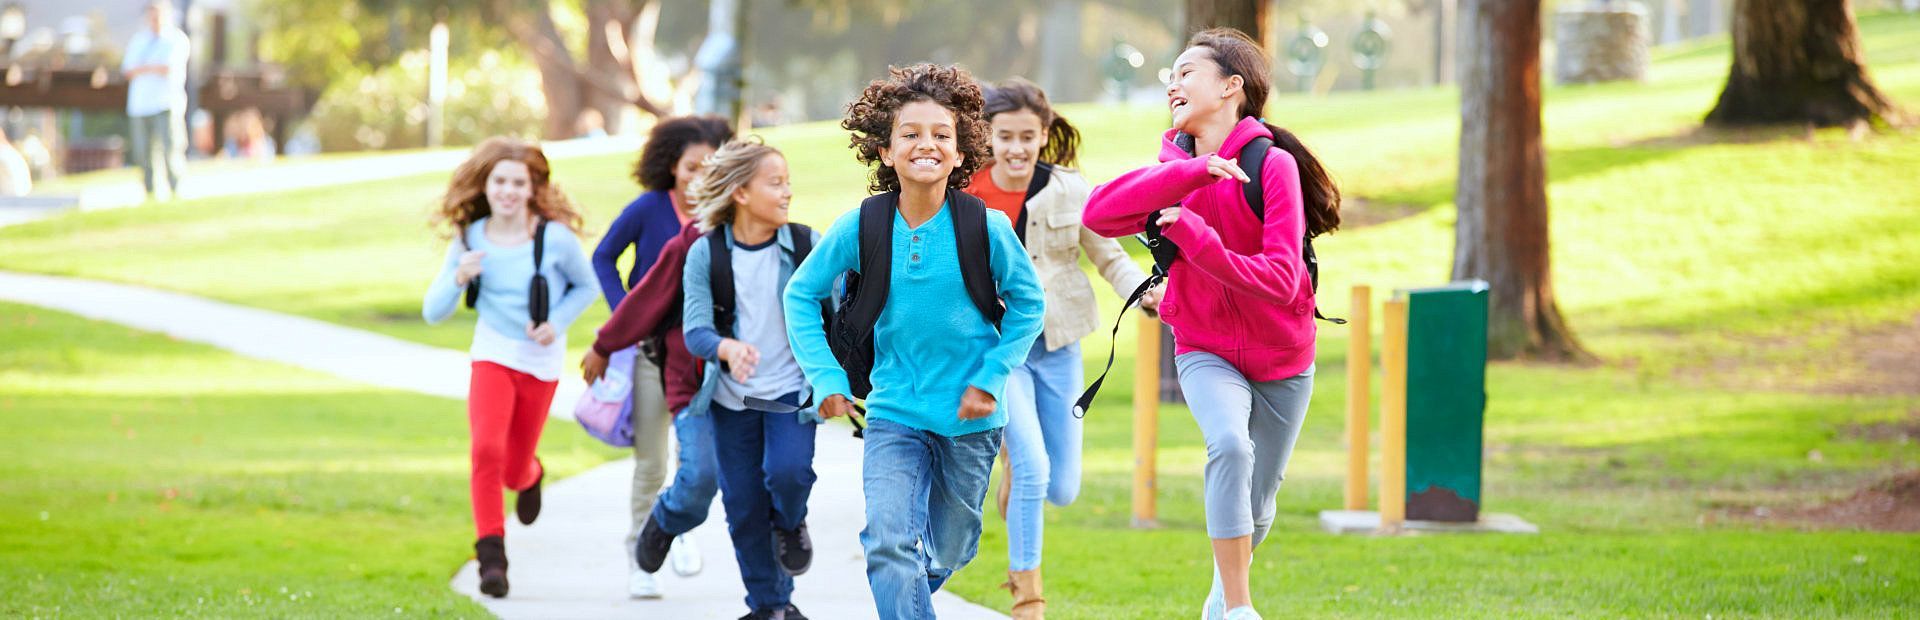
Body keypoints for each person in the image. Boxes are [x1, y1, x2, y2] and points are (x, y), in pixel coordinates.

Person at [1082, 28, 1342, 620]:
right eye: (1169, 75)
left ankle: (1219, 604)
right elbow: (1099, 214)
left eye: (1186, 71)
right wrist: (1195, 174)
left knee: (1260, 502)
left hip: (1283, 356)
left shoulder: (1272, 165)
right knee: (1228, 444)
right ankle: (1242, 608)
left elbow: (1282, 279)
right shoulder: (1171, 167)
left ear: (1232, 86)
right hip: (1203, 345)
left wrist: (1193, 236)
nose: (1173, 83)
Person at [783, 63, 1046, 619]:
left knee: (949, 548)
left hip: (970, 420)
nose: (926, 144)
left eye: (941, 135)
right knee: (887, 543)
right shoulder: (860, 226)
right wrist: (826, 378)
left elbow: (1029, 305)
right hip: (894, 413)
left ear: (959, 153)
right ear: (885, 150)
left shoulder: (986, 228)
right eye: (910, 133)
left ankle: (906, 597)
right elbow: (800, 295)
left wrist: (992, 376)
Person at [962, 78, 1156, 619]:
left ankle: (1014, 470)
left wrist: (1143, 293)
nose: (1017, 148)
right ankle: (1028, 597)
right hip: (998, 352)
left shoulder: (1071, 189)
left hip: (1059, 347)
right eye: (1005, 137)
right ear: (987, 137)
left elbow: (1109, 256)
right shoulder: (966, 193)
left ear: (1044, 134)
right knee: (1035, 468)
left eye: (1028, 136)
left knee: (1064, 487)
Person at [422, 137, 598, 599]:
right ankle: (492, 557)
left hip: (539, 363)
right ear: (486, 185)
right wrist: (458, 277)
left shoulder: (554, 239)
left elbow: (587, 287)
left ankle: (531, 476)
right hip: (492, 355)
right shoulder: (469, 239)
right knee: (485, 451)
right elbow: (433, 311)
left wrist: (555, 323)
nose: (507, 190)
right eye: (499, 181)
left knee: (512, 467)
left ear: (532, 187)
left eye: (517, 182)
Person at [673, 138, 819, 620]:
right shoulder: (706, 254)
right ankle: (771, 606)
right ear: (740, 192)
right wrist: (727, 348)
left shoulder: (805, 244)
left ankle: (792, 522)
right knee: (743, 505)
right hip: (732, 401)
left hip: (789, 394)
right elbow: (696, 330)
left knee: (788, 474)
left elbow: (841, 311)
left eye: (788, 182)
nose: (787, 192)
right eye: (775, 183)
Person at [590, 114, 733, 598]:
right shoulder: (648, 208)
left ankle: (679, 531)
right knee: (651, 461)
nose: (698, 177)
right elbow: (604, 256)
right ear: (671, 166)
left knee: (694, 460)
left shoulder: (724, 218)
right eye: (691, 167)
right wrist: (623, 315)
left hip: (706, 361)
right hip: (650, 353)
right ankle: (640, 558)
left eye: (710, 168)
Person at [120, 0, 190, 200]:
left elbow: (166, 68)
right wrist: (150, 67)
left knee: (171, 149)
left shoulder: (176, 39)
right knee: (143, 152)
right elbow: (128, 70)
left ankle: (176, 190)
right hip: (140, 106)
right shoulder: (138, 40)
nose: (154, 19)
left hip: (165, 103)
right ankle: (150, 192)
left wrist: (144, 68)